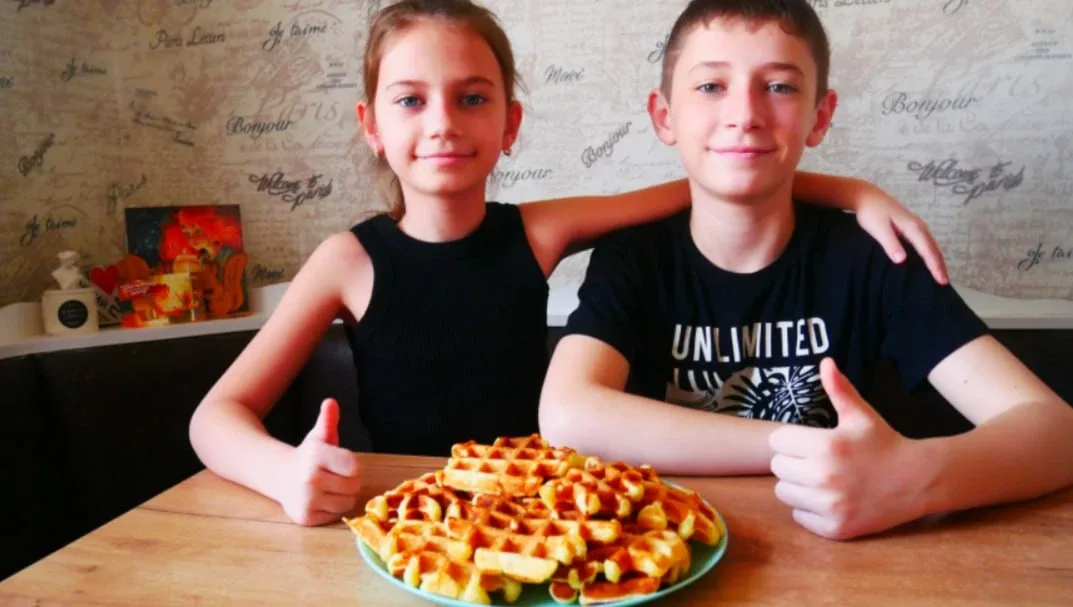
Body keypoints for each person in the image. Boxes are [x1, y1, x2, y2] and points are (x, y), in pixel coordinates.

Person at [189, 0, 949, 527]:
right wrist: (283, 473)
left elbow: (710, 177)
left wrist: (852, 191)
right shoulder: (345, 260)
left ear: (510, 122)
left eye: (472, 98)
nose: (444, 123)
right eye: (411, 100)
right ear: (371, 126)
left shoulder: (539, 230)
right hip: (404, 520)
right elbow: (215, 417)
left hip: (546, 513)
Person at [538, 0, 1073, 541]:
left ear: (820, 116)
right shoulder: (635, 256)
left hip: (837, 556)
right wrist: (809, 447)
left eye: (779, 86)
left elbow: (1056, 432)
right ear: (664, 116)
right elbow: (567, 416)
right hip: (674, 550)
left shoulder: (871, 257)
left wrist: (912, 477)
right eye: (711, 86)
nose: (745, 114)